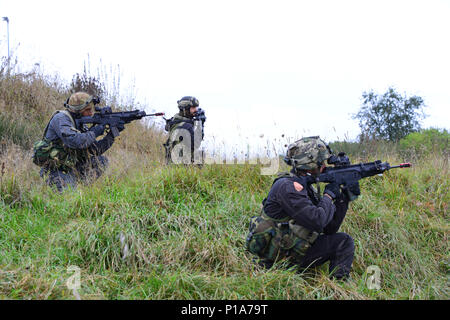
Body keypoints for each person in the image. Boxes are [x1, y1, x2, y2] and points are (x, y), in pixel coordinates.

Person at [245, 136, 360, 280]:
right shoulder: (287, 187)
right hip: (276, 260)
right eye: (321, 162)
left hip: (295, 250)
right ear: (309, 164)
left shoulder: (306, 186)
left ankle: (340, 287)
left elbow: (329, 228)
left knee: (343, 242)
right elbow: (317, 221)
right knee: (342, 240)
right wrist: (328, 196)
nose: (324, 166)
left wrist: (344, 197)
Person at [34, 92, 122, 192]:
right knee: (70, 195)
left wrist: (111, 136)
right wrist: (95, 132)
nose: (91, 113)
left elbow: (94, 150)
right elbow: (75, 141)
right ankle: (72, 187)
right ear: (77, 110)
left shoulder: (79, 123)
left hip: (72, 167)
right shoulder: (61, 118)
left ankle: (83, 189)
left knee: (101, 161)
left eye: (91, 109)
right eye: (87, 110)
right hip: (55, 170)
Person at [163, 96, 206, 166]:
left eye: (196, 107)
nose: (196, 110)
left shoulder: (175, 120)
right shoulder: (185, 126)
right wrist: (200, 124)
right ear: (185, 109)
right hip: (180, 164)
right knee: (200, 155)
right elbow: (196, 144)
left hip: (172, 162)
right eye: (193, 108)